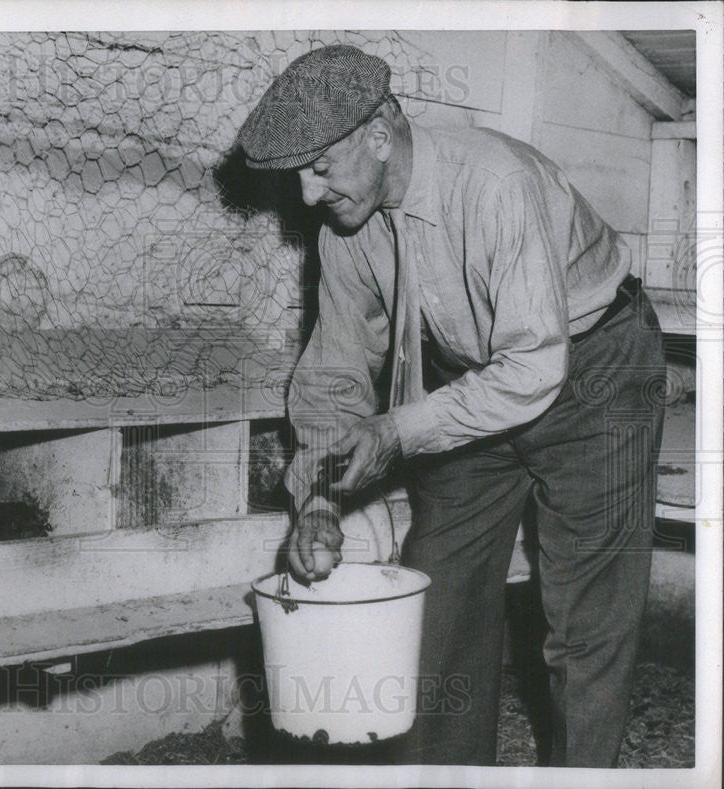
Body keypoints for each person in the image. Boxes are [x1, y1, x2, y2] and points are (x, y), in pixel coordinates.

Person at [236, 44, 665, 767]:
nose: (308, 195)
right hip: (472, 384)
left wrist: (397, 431)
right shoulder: (347, 227)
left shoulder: (496, 183)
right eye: (297, 176)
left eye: (319, 168)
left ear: (379, 132)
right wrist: (319, 498)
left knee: (583, 629)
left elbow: (533, 366)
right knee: (435, 601)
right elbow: (336, 372)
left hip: (595, 371)